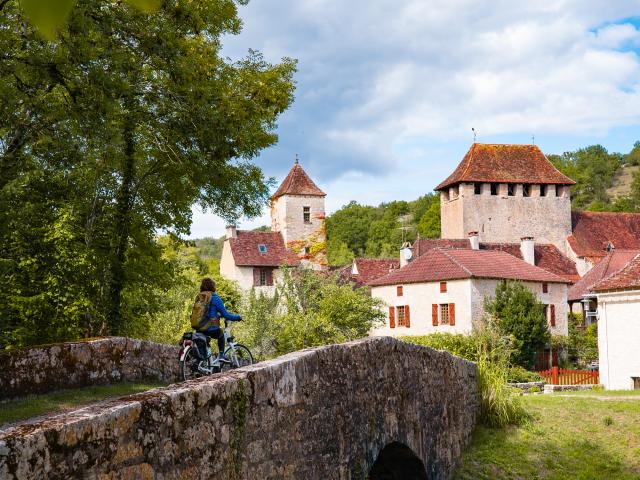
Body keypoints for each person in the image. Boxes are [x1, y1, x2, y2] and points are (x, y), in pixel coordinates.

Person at [197, 278, 241, 362]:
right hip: (210, 328)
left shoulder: (199, 297)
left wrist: (217, 314)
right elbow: (226, 315)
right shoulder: (215, 298)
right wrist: (238, 317)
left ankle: (206, 363)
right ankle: (221, 355)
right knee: (220, 333)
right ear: (212, 287)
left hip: (199, 328)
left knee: (205, 345)